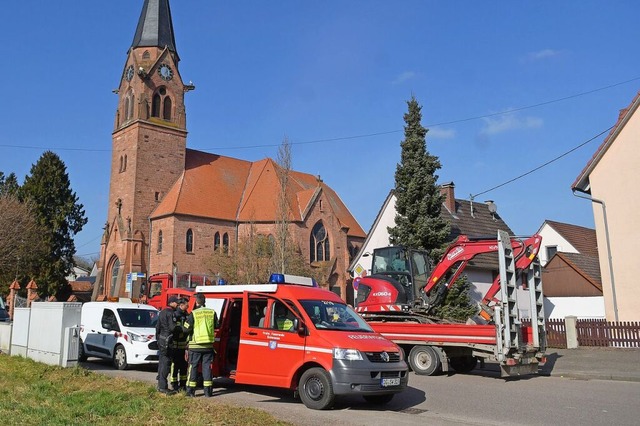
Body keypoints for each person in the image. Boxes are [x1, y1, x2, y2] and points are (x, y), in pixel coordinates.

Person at [183, 293, 217, 397]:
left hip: (196, 345)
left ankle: (190, 391)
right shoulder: (212, 312)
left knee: (193, 367)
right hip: (208, 346)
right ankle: (208, 392)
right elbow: (216, 325)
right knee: (207, 367)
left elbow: (186, 329)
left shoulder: (194, 313)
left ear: (197, 302)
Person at [156, 296, 179, 394]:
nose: (177, 304)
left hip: (162, 339)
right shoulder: (171, 313)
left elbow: (157, 327)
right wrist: (181, 328)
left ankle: (160, 384)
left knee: (162, 361)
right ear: (172, 303)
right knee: (166, 362)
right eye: (176, 303)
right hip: (168, 340)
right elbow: (172, 328)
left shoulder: (162, 312)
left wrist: (158, 338)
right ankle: (163, 387)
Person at [169, 298, 189, 392]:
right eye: (186, 305)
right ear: (181, 305)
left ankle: (183, 384)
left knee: (183, 366)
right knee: (175, 365)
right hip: (176, 345)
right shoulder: (175, 314)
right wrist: (183, 329)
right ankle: (174, 384)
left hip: (183, 345)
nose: (188, 306)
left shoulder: (186, 315)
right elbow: (173, 328)